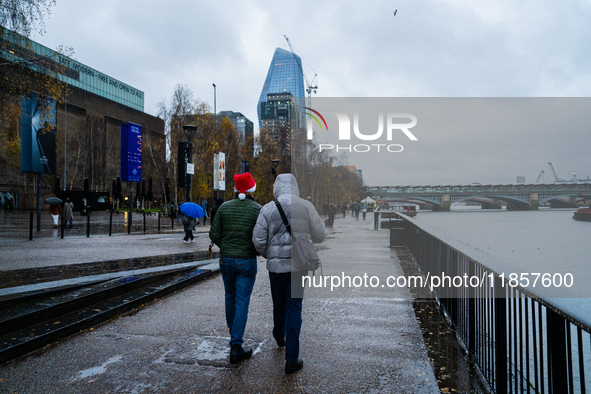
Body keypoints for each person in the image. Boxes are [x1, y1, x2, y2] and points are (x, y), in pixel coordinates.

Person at [252, 174, 325, 374]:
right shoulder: (306, 206)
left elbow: (257, 240)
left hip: (276, 268)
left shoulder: (267, 209)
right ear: (295, 187)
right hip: (298, 267)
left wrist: (272, 255)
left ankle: (279, 335)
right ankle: (292, 359)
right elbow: (320, 235)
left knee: (278, 304)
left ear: (276, 187)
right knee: (294, 308)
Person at [210, 172, 261, 364]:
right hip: (246, 260)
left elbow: (214, 233)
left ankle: (234, 331)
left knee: (229, 296)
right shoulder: (258, 209)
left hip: (226, 260)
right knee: (242, 301)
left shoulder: (224, 208)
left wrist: (225, 246)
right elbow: (261, 236)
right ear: (251, 189)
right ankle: (236, 345)